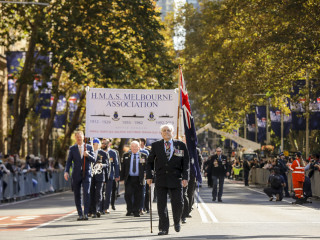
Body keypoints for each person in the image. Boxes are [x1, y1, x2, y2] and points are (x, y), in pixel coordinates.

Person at [146, 124, 189, 236]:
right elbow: (150, 162)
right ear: (161, 133)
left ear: (172, 132)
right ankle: (164, 228)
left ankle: (177, 221)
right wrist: (149, 176)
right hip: (161, 178)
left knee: (178, 203)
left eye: (168, 130)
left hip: (176, 178)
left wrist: (185, 177)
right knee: (161, 205)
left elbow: (186, 163)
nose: (166, 132)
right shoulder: (156, 145)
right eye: (164, 131)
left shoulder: (181, 145)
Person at [64, 131, 95, 221]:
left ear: (83, 137)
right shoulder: (72, 148)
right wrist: (66, 171)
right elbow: (69, 161)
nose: (79, 138)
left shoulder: (88, 147)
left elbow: (94, 159)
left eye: (80, 137)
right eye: (77, 137)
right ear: (75, 138)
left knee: (86, 193)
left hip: (86, 173)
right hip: (76, 174)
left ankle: (86, 213)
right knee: (77, 194)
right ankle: (80, 214)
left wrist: (88, 155)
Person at [121, 141, 148, 217]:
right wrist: (121, 178)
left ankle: (136, 211)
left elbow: (147, 167)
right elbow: (123, 168)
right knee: (128, 195)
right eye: (132, 146)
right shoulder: (126, 155)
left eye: (136, 147)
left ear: (139, 147)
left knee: (138, 196)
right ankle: (129, 209)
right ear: (130, 147)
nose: (134, 148)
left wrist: (146, 173)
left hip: (139, 178)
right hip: (129, 178)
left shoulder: (144, 156)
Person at [89, 138, 109, 218]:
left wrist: (102, 165)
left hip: (100, 175)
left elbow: (107, 164)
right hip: (91, 175)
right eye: (93, 144)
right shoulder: (89, 152)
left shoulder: (102, 153)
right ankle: (91, 210)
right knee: (91, 193)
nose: (95, 146)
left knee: (98, 192)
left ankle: (97, 209)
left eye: (96, 144)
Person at [101, 138, 120, 214]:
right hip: (101, 175)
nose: (103, 144)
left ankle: (106, 207)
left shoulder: (113, 152)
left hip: (110, 175)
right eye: (102, 143)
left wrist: (117, 175)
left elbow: (116, 164)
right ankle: (100, 207)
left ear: (109, 144)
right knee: (101, 192)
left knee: (108, 192)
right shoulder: (100, 152)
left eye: (105, 143)